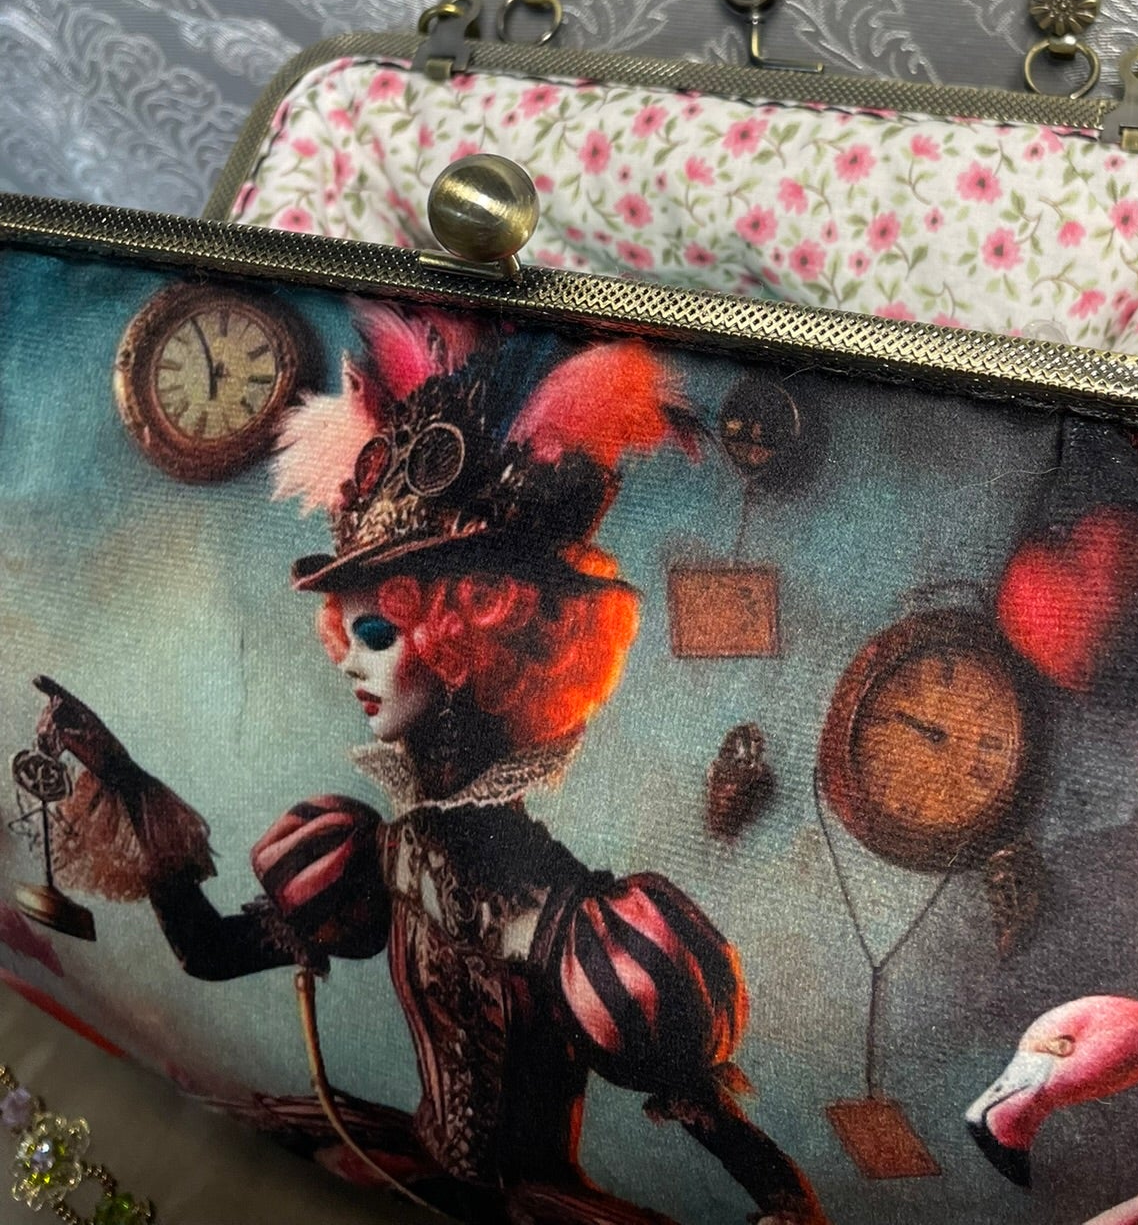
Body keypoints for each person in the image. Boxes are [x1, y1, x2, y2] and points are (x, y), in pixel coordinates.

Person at [34, 307, 826, 1225]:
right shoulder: (373, 854)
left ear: (465, 638)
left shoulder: (583, 928)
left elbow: (780, 1189)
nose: (350, 661)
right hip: (401, 1166)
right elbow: (207, 955)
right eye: (348, 634)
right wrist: (121, 775)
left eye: (378, 633)